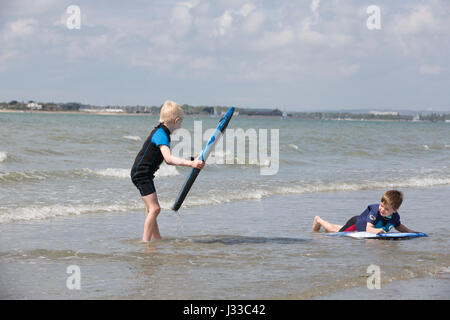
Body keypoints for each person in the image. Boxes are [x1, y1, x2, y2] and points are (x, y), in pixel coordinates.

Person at [131, 100, 204, 242]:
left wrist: (191, 158)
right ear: (176, 120)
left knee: (151, 209)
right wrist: (191, 164)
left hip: (143, 173)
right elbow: (169, 159)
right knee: (155, 209)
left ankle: (157, 239)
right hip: (142, 174)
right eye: (181, 122)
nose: (181, 125)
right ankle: (145, 242)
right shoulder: (161, 134)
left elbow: (168, 158)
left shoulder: (161, 132)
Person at [312, 190, 417, 234]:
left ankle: (322, 221)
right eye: (381, 205)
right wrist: (377, 231)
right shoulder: (375, 212)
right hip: (357, 223)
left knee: (339, 227)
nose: (382, 209)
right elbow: (368, 229)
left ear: (395, 210)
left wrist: (411, 232)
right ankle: (319, 220)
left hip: (362, 222)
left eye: (386, 209)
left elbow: (399, 226)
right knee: (334, 231)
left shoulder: (395, 217)